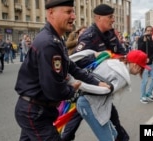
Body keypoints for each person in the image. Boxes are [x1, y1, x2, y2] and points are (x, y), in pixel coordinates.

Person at [14, 1, 109, 140]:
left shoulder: (56, 39)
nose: (74, 16)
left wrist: (96, 82)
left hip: (37, 110)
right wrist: (73, 89)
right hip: (35, 112)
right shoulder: (48, 43)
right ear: (51, 12)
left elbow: (72, 67)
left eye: (73, 12)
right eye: (68, 12)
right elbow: (54, 90)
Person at [63, 3, 129, 141]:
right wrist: (97, 55)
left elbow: (121, 53)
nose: (113, 20)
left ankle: (122, 138)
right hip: (88, 86)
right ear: (99, 18)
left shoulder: (110, 33)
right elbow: (77, 62)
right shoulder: (88, 36)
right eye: (110, 17)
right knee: (76, 116)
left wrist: (123, 59)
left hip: (101, 85)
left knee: (109, 115)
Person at [73, 50, 150, 141]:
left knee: (114, 134)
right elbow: (102, 90)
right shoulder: (122, 76)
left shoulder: (112, 62)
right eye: (142, 68)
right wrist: (80, 85)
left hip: (89, 103)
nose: (141, 71)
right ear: (135, 65)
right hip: (90, 105)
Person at [137, 25, 153, 104]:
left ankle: (148, 93)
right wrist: (144, 41)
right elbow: (139, 49)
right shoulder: (141, 39)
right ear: (145, 31)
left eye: (150, 31)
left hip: (151, 63)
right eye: (147, 30)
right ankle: (142, 96)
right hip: (143, 64)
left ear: (152, 32)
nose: (149, 32)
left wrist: (150, 58)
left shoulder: (152, 42)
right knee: (144, 81)